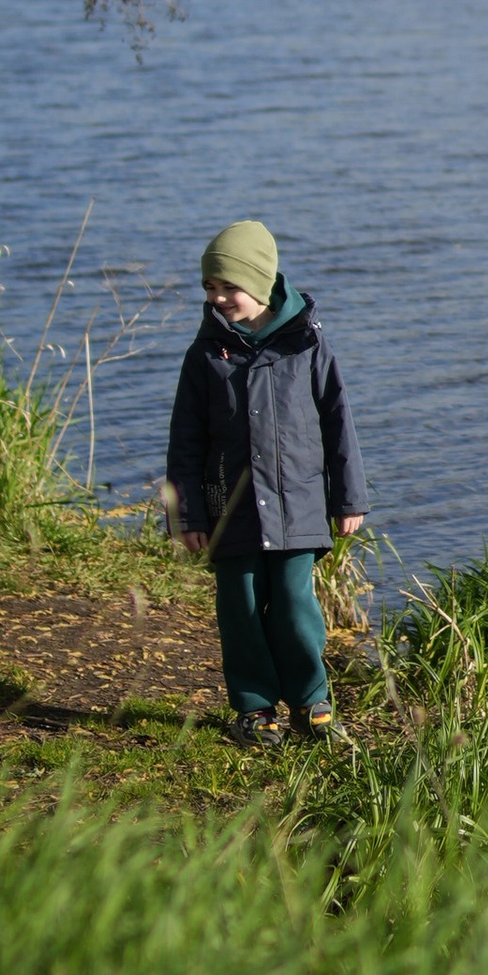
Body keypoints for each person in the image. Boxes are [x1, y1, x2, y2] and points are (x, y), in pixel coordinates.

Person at [166, 217, 368, 744]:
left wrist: (348, 498)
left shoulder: (307, 346)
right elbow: (185, 440)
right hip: (228, 510)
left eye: (228, 286)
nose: (218, 297)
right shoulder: (205, 355)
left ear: (259, 283)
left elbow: (338, 425)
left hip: (297, 507)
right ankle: (253, 709)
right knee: (241, 611)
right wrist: (187, 514)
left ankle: (311, 702)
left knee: (297, 608)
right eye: (209, 287)